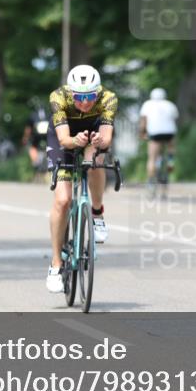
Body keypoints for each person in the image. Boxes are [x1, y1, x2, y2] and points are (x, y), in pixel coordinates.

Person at [45, 64, 118, 293]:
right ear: (71, 92)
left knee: (95, 161)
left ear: (98, 92)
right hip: (65, 138)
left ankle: (96, 213)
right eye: (79, 97)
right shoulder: (59, 97)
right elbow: (64, 140)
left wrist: (98, 142)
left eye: (90, 97)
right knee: (62, 200)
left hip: (93, 136)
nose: (85, 102)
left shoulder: (108, 98)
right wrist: (75, 141)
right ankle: (56, 264)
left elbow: (106, 138)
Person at [138, 87, 179, 186]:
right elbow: (175, 119)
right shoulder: (170, 104)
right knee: (171, 146)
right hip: (169, 132)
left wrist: (142, 133)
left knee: (152, 157)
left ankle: (151, 180)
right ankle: (170, 161)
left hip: (155, 133)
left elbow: (143, 122)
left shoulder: (147, 104)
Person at [22, 100, 50, 173]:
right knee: (50, 144)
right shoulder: (48, 114)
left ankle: (35, 161)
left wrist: (25, 138)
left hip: (37, 136)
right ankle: (49, 159)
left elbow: (28, 129)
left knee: (32, 147)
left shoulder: (33, 115)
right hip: (47, 136)